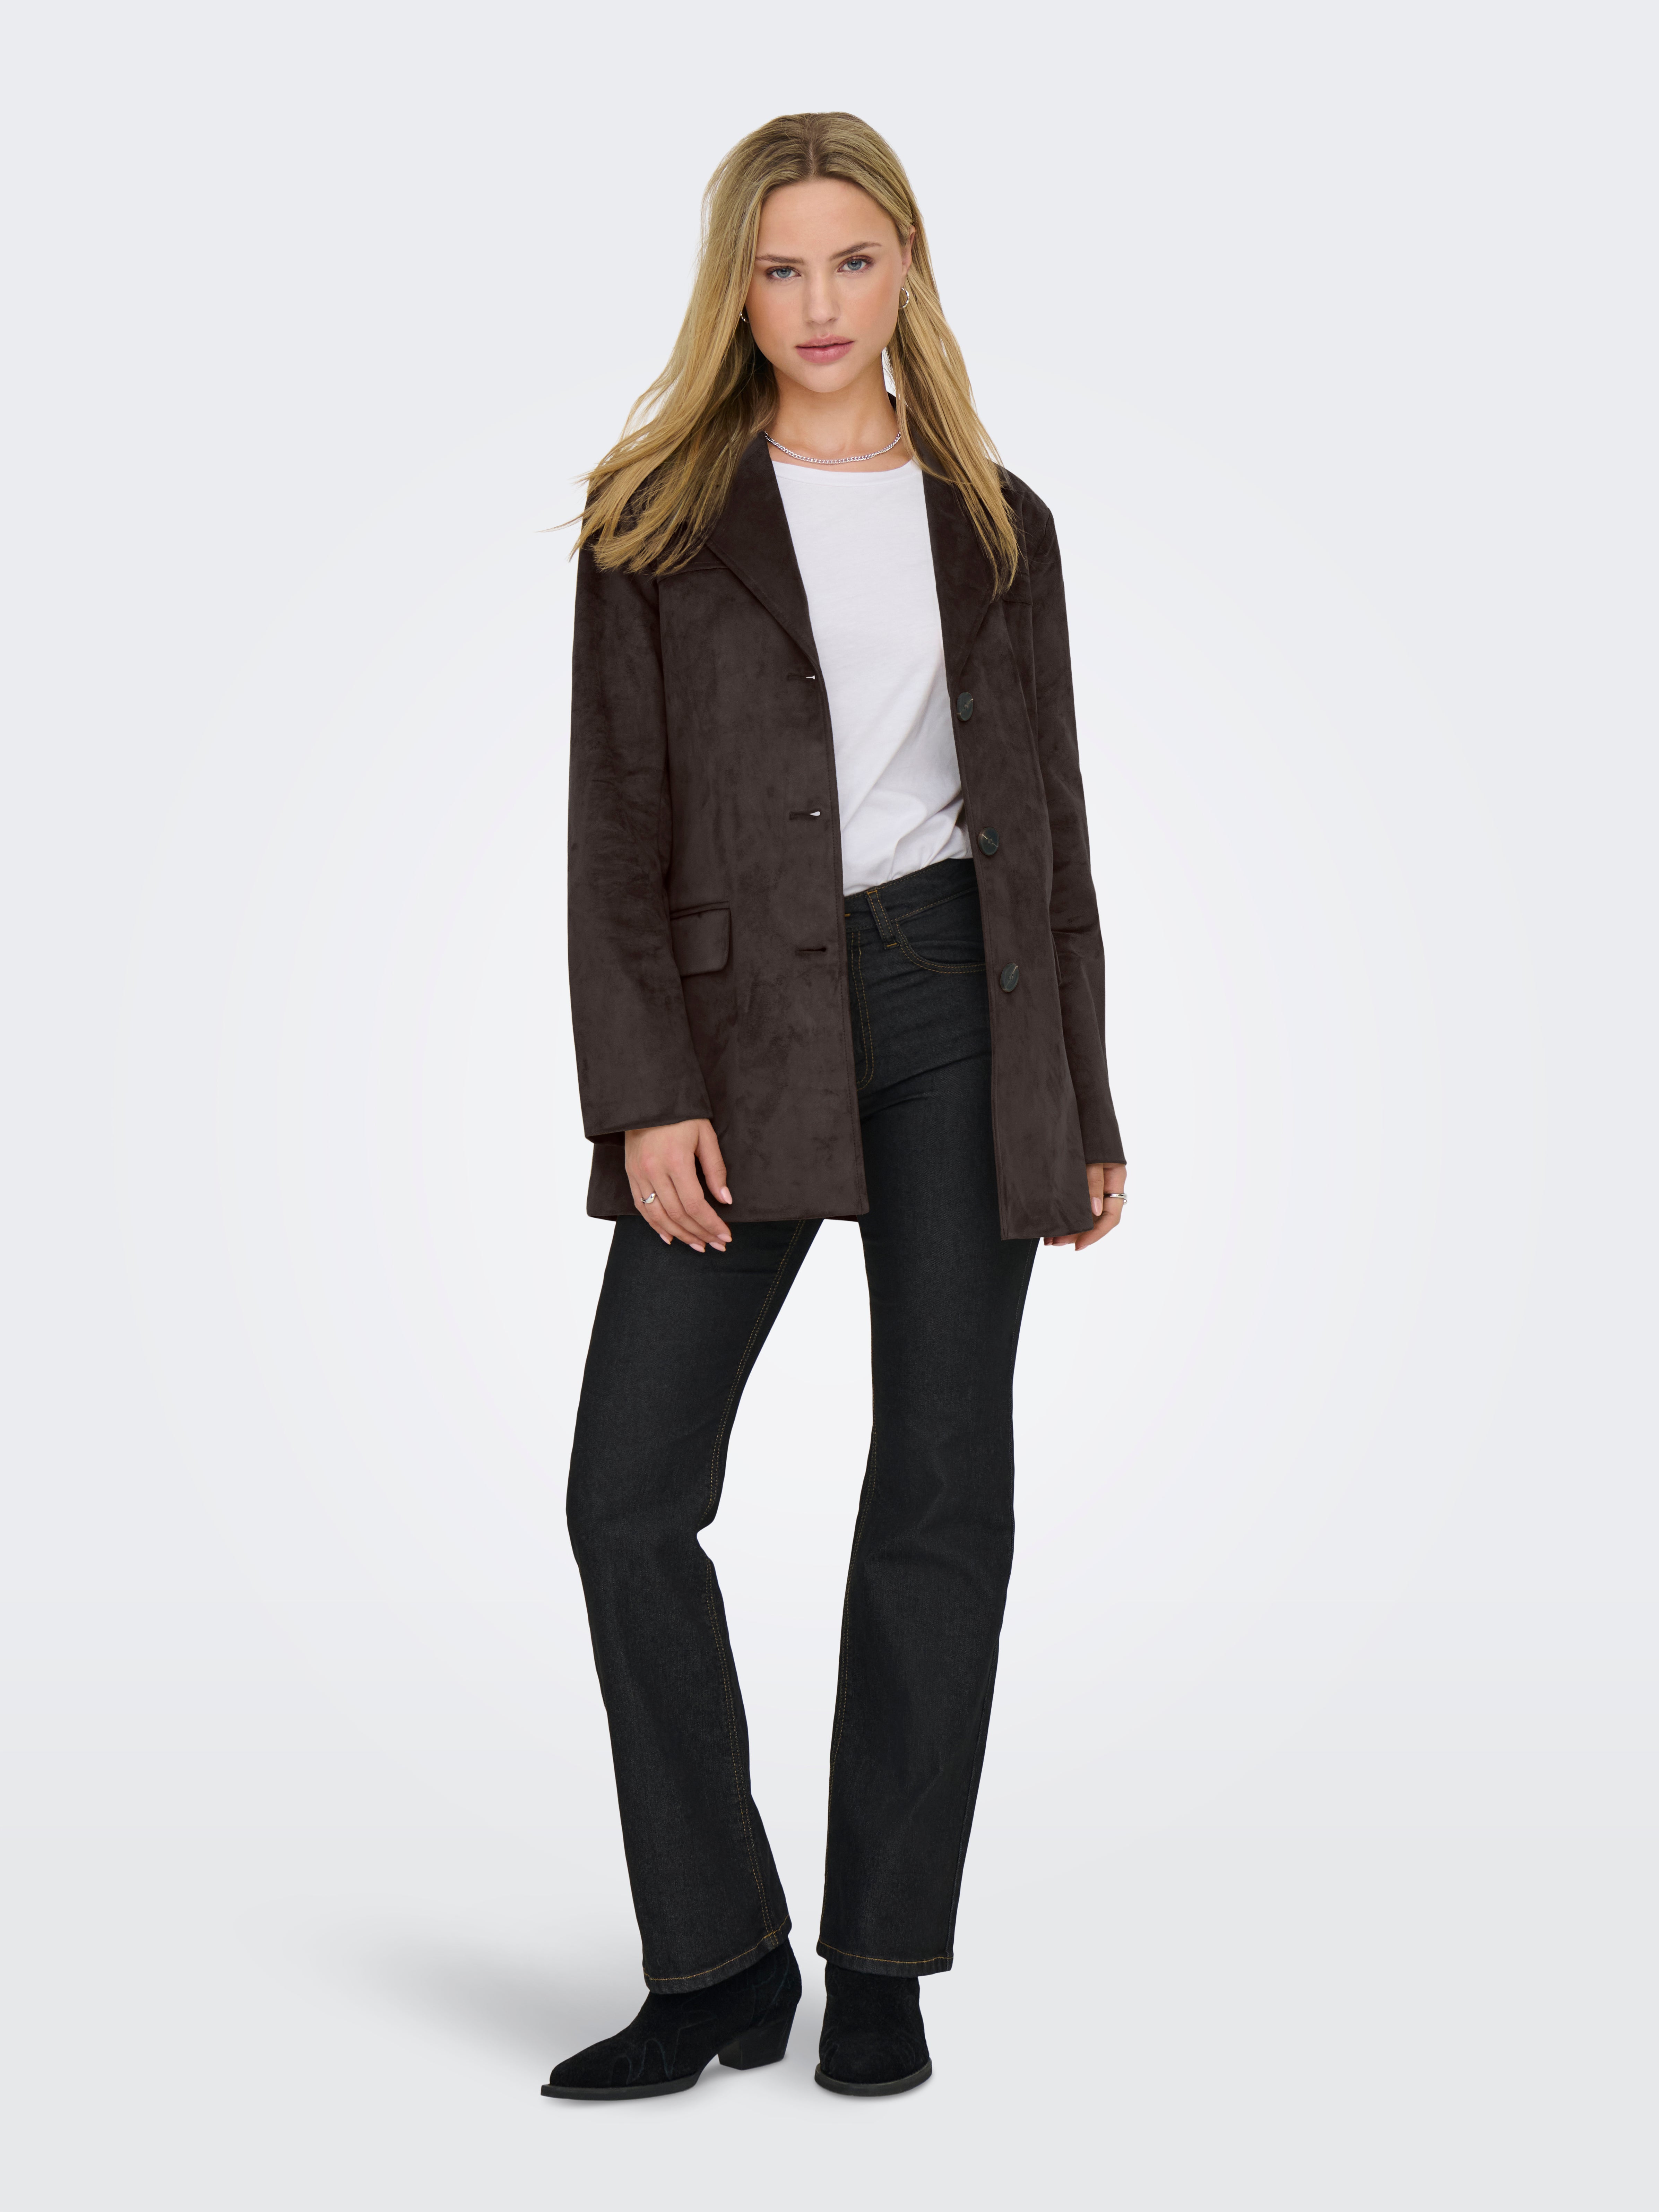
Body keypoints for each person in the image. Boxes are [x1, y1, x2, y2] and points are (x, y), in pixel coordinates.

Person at [543, 111, 1126, 2104]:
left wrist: (1084, 1095)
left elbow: (1051, 827)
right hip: (740, 1042)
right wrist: (646, 1095)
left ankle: (881, 1959)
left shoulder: (998, 520)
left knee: (941, 1483)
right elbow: (611, 834)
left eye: (851, 261)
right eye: (779, 266)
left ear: (907, 272)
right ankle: (715, 1961)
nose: (816, 302)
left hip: (965, 1006)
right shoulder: (654, 519)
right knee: (627, 1496)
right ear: (736, 287)